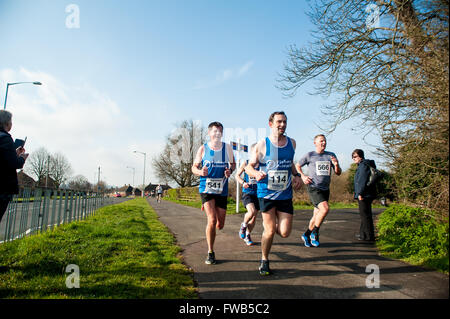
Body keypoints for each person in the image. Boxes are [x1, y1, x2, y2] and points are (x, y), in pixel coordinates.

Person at [246, 111, 302, 275]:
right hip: (266, 193)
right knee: (269, 231)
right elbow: (249, 166)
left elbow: (290, 163)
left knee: (284, 233)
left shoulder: (292, 143)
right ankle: (264, 259)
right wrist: (255, 174)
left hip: (285, 194)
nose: (282, 125)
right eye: (279, 122)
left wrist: (297, 175)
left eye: (284, 122)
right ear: (271, 124)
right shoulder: (262, 144)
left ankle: (269, 230)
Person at [192, 121, 235, 265]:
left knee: (220, 224)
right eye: (215, 131)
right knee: (211, 220)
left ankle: (209, 206)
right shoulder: (203, 149)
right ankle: (210, 252)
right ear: (209, 133)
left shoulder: (227, 148)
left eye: (220, 131)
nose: (217, 134)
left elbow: (233, 164)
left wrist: (230, 170)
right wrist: (199, 171)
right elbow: (194, 167)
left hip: (222, 189)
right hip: (206, 188)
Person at [296, 134, 341, 247]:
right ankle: (315, 232)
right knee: (325, 208)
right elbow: (297, 165)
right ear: (315, 143)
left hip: (325, 188)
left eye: (324, 141)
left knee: (317, 215)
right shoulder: (310, 155)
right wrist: (303, 176)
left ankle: (306, 234)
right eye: (321, 141)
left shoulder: (331, 155)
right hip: (313, 187)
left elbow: (338, 172)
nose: (323, 143)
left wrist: (336, 165)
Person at [0, 110, 29, 223]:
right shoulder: (5, 139)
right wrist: (22, 157)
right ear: (7, 123)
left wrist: (14, 153)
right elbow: (14, 163)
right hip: (2, 187)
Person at [235, 144, 259, 246]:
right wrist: (243, 182)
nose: (257, 154)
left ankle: (248, 235)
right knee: (251, 211)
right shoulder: (246, 163)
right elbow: (237, 175)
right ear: (251, 153)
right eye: (255, 152)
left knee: (253, 218)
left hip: (259, 193)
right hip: (248, 192)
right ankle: (243, 225)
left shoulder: (264, 163)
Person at [352, 149, 377, 242]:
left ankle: (369, 236)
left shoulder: (363, 166)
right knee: (365, 215)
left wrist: (360, 193)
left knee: (365, 216)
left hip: (364, 194)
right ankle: (363, 235)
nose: (353, 159)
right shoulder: (364, 165)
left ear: (360, 156)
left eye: (355, 157)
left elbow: (361, 181)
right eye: (352, 157)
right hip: (368, 193)